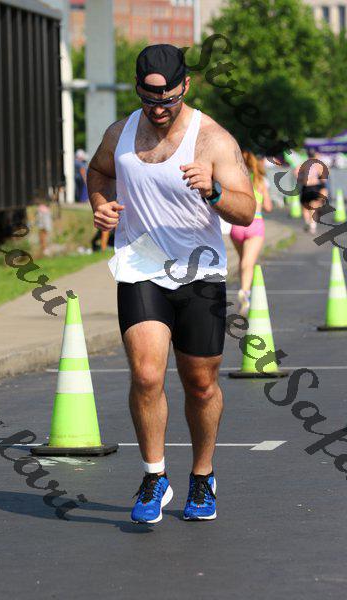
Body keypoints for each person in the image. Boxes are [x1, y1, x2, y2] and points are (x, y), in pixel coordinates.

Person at [87, 44, 255, 524]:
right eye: (149, 99)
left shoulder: (213, 140)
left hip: (200, 274)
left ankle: (202, 476)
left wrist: (214, 190)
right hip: (141, 265)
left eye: (168, 100)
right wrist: (99, 203)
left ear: (186, 86)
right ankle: (154, 475)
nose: (158, 109)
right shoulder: (120, 134)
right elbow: (98, 171)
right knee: (146, 375)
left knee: (200, 384)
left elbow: (247, 210)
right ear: (138, 90)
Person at [230, 151, 273, 316]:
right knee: (248, 263)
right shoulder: (260, 181)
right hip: (255, 223)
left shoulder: (235, 180)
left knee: (243, 261)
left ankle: (245, 292)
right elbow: (268, 207)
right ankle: (245, 292)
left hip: (237, 225)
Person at [294, 148, 327, 234]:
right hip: (315, 187)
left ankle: (307, 222)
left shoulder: (304, 164)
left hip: (306, 187)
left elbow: (296, 173)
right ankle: (313, 225)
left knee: (305, 206)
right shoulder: (318, 164)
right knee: (313, 207)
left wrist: (302, 179)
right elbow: (323, 177)